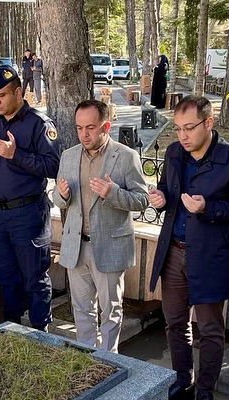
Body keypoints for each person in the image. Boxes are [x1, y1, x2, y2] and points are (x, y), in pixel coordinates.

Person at [147, 96, 229, 400]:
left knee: (209, 330)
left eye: (189, 128)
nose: (182, 136)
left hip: (210, 257)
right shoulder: (173, 153)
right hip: (174, 251)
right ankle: (184, 381)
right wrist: (161, 198)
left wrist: (207, 207)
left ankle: (205, 391)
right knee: (175, 322)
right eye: (177, 128)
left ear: (209, 123)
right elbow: (167, 189)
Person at [0, 66, 60, 330]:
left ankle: (41, 333)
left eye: (1, 96)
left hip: (27, 213)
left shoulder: (38, 124)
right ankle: (11, 329)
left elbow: (53, 166)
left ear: (18, 92)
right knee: (6, 276)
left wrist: (15, 154)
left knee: (34, 278)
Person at [53, 100, 148, 352]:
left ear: (105, 126)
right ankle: (88, 356)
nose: (84, 134)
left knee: (110, 310)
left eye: (90, 128)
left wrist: (112, 192)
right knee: (81, 309)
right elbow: (57, 198)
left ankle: (110, 359)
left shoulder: (126, 157)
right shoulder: (69, 156)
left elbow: (142, 200)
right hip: (76, 247)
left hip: (110, 247)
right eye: (79, 128)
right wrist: (61, 195)